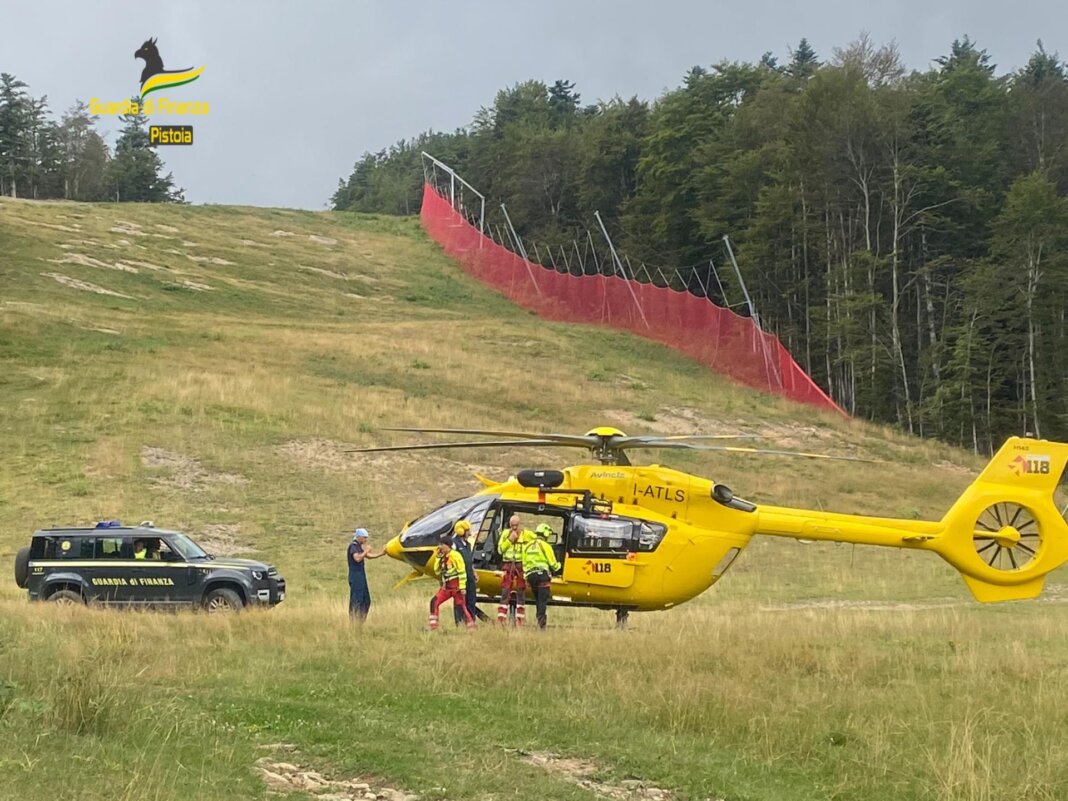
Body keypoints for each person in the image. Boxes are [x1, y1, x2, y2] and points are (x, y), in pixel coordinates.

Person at [428, 534, 475, 631]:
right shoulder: (442, 557)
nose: (440, 547)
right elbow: (437, 571)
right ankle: (433, 627)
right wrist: (438, 558)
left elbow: (462, 572)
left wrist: (462, 587)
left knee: (461, 606)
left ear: (448, 545)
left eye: (442, 544)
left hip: (456, 586)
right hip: (446, 587)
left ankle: (470, 627)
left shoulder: (456, 555)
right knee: (434, 602)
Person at [522, 523, 561, 629]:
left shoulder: (528, 546)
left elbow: (524, 563)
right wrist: (559, 567)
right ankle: (542, 626)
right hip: (542, 576)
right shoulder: (546, 546)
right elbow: (553, 563)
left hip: (531, 577)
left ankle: (540, 622)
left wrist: (527, 576)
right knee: (542, 601)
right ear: (545, 534)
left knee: (537, 600)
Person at [497, 514, 534, 625]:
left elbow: (536, 543)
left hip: (521, 565)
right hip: (508, 565)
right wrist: (509, 540)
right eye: (512, 525)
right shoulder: (505, 534)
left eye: (516, 526)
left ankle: (520, 620)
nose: (514, 528)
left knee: (521, 592)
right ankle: (501, 619)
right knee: (505, 591)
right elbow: (500, 550)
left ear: (520, 525)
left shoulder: (527, 535)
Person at [450, 520, 488, 624]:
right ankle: (460, 622)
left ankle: (471, 621)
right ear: (462, 531)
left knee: (471, 599)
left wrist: (473, 572)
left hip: (469, 576)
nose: (469, 532)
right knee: (460, 600)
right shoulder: (454, 544)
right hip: (460, 577)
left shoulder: (467, 544)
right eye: (467, 530)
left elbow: (469, 560)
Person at [347, 528, 383, 621]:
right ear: (359, 537)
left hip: (361, 576)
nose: (366, 540)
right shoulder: (353, 546)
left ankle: (361, 621)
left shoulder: (359, 547)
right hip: (355, 576)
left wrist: (382, 553)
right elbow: (357, 558)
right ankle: (354, 621)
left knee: (366, 600)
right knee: (356, 600)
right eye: (364, 537)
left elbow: (368, 556)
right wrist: (366, 550)